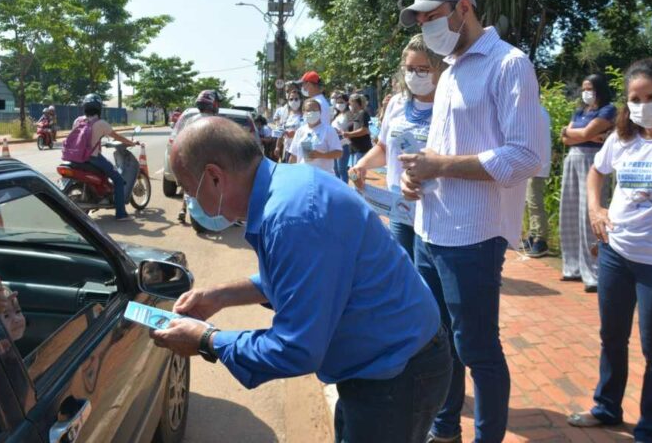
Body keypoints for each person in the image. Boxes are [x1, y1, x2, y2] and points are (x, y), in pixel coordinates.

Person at [152, 116, 452, 443]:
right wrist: (220, 296)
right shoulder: (284, 188)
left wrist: (206, 340)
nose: (189, 202)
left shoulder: (292, 217)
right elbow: (297, 280)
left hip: (397, 373)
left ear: (214, 178)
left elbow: (296, 349)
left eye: (188, 191)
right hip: (382, 364)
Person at [398, 0, 546, 442]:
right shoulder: (451, 69)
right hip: (430, 228)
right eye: (419, 20)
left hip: (473, 235)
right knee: (441, 342)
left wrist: (440, 165)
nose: (425, 27)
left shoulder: (509, 65)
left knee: (478, 349)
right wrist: (417, 173)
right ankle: (445, 430)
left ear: (464, 7)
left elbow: (527, 156)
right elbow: (441, 150)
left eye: (431, 16)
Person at [567, 58, 652, 443]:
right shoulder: (623, 138)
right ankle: (607, 406)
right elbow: (596, 172)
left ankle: (651, 430)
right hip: (615, 255)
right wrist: (595, 208)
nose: (641, 105)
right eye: (634, 98)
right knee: (611, 335)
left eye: (651, 96)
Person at [348, 34, 444, 260]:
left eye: (423, 69)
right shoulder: (397, 103)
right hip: (398, 203)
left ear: (440, 68)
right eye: (409, 68)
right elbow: (384, 148)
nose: (414, 75)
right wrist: (362, 166)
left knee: (429, 275)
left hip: (435, 205)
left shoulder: (449, 104)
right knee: (403, 268)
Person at [560, 73, 617, 291]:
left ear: (599, 89)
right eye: (583, 88)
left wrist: (577, 133)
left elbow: (584, 132)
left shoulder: (608, 110)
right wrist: (579, 135)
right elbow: (565, 139)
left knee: (588, 216)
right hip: (573, 159)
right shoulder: (580, 111)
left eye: (589, 88)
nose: (586, 92)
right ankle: (572, 267)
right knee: (569, 213)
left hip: (593, 162)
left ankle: (592, 273)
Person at [69, 93, 138, 221]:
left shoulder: (78, 120)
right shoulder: (101, 123)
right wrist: (131, 142)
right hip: (92, 158)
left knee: (105, 172)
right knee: (117, 179)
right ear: (99, 108)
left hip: (75, 157)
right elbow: (117, 137)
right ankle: (121, 214)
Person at [522, 106, 552, 258]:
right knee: (529, 201)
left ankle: (541, 239)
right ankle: (533, 235)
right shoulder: (536, 111)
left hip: (536, 165)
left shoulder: (535, 112)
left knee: (534, 202)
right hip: (531, 164)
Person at [288, 98, 343, 174]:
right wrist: (289, 172)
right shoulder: (300, 131)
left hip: (323, 176)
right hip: (304, 174)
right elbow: (293, 155)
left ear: (320, 112)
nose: (311, 113)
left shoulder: (329, 130)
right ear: (303, 112)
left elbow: (338, 153)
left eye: (314, 110)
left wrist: (321, 155)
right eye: (308, 110)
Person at [343, 94, 373, 165]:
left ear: (356, 103)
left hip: (362, 149)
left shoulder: (363, 113)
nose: (349, 104)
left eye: (351, 102)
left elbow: (364, 130)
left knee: (359, 172)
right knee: (355, 172)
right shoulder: (355, 114)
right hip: (355, 148)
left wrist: (349, 134)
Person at [331, 91, 353, 183]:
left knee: (342, 169)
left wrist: (341, 132)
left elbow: (351, 129)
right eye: (338, 102)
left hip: (344, 142)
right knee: (335, 168)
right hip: (334, 142)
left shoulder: (349, 114)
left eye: (341, 102)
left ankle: (344, 188)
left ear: (347, 102)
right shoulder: (337, 114)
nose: (339, 104)